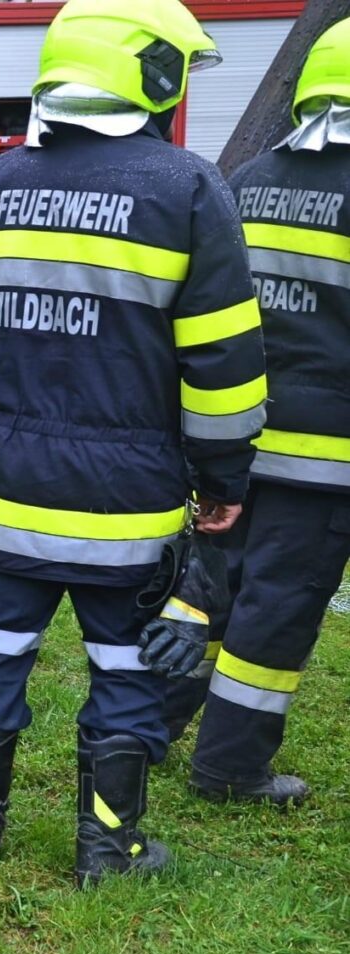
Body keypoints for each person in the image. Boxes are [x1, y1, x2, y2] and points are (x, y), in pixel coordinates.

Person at [0, 0, 266, 886]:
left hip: (0, 486)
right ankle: (109, 847)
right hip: (128, 500)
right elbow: (223, 359)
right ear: (155, 76)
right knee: (125, 663)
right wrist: (223, 477)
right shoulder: (188, 190)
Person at [171, 18, 350, 807]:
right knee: (276, 613)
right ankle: (230, 769)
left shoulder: (246, 178)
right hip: (325, 459)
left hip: (235, 441)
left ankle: (135, 731)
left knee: (204, 592)